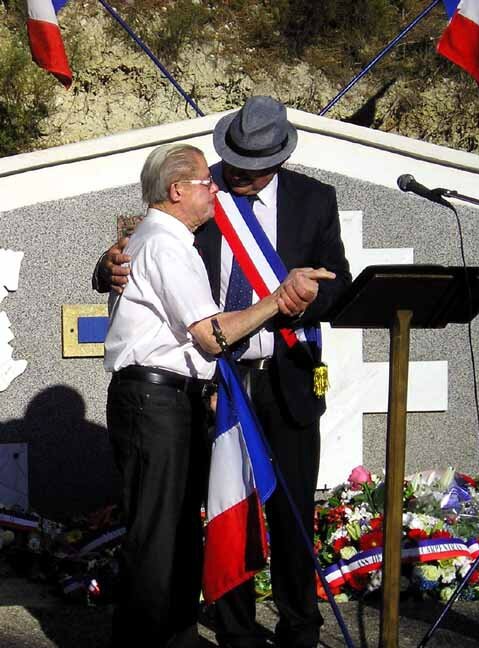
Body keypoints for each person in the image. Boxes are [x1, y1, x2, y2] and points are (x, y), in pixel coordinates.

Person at [96, 97, 352, 648]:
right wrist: (104, 268)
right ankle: (233, 626)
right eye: (228, 161)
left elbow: (339, 283)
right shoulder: (198, 195)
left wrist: (304, 299)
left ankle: (299, 625)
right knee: (220, 503)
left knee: (291, 507)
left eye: (249, 165)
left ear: (277, 161)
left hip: (286, 376)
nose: (232, 175)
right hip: (217, 379)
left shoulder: (314, 200)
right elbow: (135, 253)